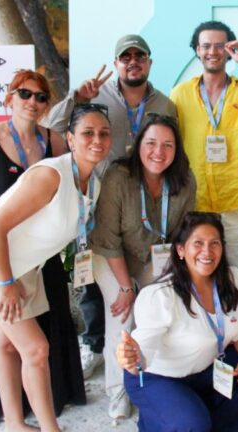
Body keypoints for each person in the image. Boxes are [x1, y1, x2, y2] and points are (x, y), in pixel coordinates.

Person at [0, 104, 111, 431]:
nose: (97, 140)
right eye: (88, 133)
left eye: (104, 133)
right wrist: (5, 284)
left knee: (7, 344)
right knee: (36, 349)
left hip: (26, 268)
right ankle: (49, 428)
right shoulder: (50, 174)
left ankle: (15, 424)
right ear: (70, 139)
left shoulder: (93, 184)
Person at [46, 34, 177, 381]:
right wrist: (76, 98)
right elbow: (54, 129)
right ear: (117, 63)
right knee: (92, 282)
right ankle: (95, 345)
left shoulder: (165, 104)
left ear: (149, 62)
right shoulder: (95, 96)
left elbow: (172, 150)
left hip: (141, 209)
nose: (133, 62)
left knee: (137, 287)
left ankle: (141, 357)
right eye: (126, 57)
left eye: (139, 56)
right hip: (95, 202)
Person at [88, 114, 196, 418]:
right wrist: (126, 288)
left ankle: (156, 379)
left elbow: (183, 233)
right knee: (123, 318)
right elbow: (108, 238)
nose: (158, 152)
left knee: (159, 312)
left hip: (155, 257)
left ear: (177, 149)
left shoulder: (185, 179)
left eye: (167, 145)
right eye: (151, 143)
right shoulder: (119, 176)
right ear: (138, 145)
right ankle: (118, 391)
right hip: (112, 256)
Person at [116, 212, 238, 431]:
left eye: (214, 243)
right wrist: (132, 356)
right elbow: (144, 349)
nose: (207, 251)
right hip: (160, 377)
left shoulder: (234, 281)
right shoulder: (160, 295)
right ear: (181, 250)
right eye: (198, 243)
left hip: (205, 368)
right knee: (192, 424)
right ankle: (161, 418)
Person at [170, 20, 238, 286]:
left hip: (235, 201)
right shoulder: (181, 94)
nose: (213, 51)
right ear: (197, 50)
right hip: (196, 202)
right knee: (198, 278)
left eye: (220, 46)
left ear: (229, 50)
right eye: (206, 46)